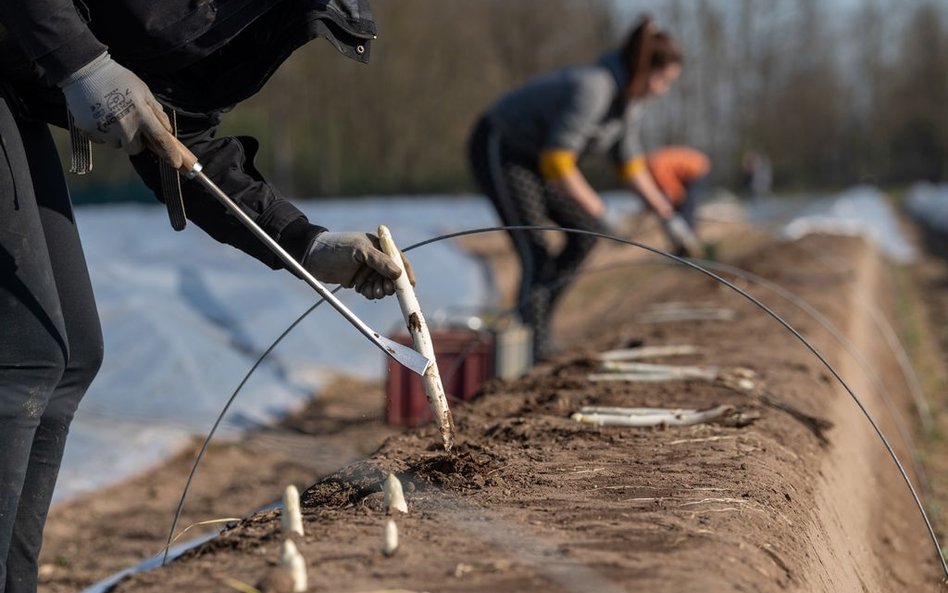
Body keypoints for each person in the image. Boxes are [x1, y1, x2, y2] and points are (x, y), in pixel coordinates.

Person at [0, 2, 412, 592]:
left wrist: (306, 243)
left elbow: (183, 140)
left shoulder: (253, 24)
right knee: (24, 357)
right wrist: (80, 63)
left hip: (14, 91)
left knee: (71, 357)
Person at [468, 17, 692, 362]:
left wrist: (668, 216)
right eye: (663, 80)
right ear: (644, 68)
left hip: (539, 163)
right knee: (535, 247)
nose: (663, 90)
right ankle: (528, 349)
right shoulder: (594, 89)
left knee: (585, 234)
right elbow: (558, 162)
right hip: (503, 148)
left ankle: (537, 330)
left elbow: (629, 164)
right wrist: (603, 213)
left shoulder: (628, 104)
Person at [646, 145, 711, 235]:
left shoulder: (657, 168)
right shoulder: (654, 163)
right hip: (689, 169)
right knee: (682, 206)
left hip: (697, 169)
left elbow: (675, 191)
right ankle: (685, 232)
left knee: (688, 205)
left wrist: (670, 207)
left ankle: (689, 234)